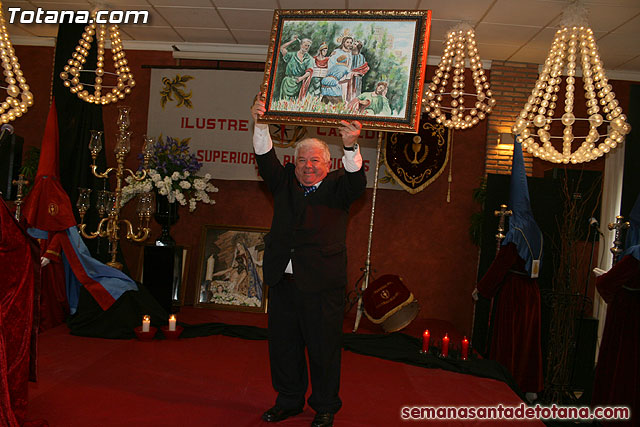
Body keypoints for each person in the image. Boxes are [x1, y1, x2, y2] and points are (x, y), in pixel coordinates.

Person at [250, 94, 366, 427]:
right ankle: (288, 401)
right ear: (295, 162)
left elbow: (358, 180)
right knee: (283, 348)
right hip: (282, 283)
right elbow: (264, 154)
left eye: (315, 161)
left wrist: (350, 146)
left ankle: (325, 406)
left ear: (328, 165)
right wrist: (260, 121)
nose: (308, 166)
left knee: (323, 349)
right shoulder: (283, 181)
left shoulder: (339, 189)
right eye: (302, 160)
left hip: (322, 287)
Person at [473, 138, 543, 401]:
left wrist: (481, 289)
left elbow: (501, 265)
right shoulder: (536, 232)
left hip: (514, 294)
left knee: (511, 341)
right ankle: (530, 386)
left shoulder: (516, 234)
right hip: (532, 293)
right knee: (528, 343)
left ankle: (505, 383)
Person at [591, 193, 640, 426]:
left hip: (628, 321)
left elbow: (608, 283)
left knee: (625, 373)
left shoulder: (636, 255)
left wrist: (603, 280)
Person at [278, 35, 314, 102]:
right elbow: (282, 48)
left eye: (308, 46)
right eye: (305, 45)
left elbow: (309, 71)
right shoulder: (291, 55)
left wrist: (301, 78)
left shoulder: (309, 59)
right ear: (301, 45)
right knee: (284, 103)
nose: (307, 47)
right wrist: (293, 40)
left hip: (299, 84)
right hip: (287, 82)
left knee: (295, 104)